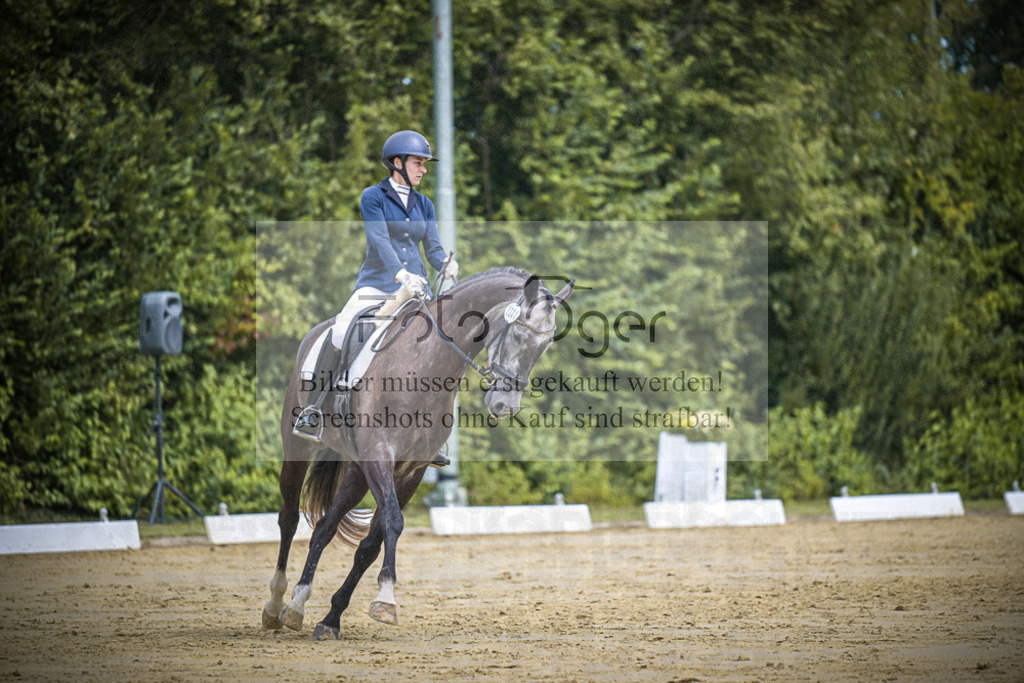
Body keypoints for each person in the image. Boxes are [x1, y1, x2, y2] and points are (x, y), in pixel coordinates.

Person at [292, 130, 458, 462]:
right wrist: (400, 274)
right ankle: (312, 409)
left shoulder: (424, 203)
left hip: (416, 290)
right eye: (418, 163)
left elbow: (434, 248)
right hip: (378, 285)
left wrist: (446, 265)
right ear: (397, 163)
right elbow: (380, 240)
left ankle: (429, 432)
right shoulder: (374, 196)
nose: (423, 169)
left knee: (436, 344)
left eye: (425, 164)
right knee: (341, 329)